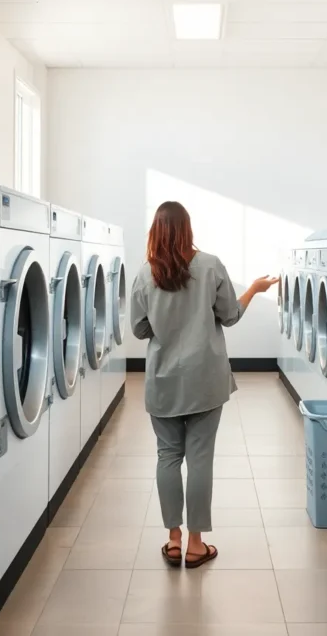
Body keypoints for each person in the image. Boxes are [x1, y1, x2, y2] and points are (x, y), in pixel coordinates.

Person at [130, 201, 279, 569]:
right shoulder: (211, 265)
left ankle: (173, 538)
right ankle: (197, 544)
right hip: (205, 380)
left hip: (163, 380)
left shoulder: (145, 274)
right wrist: (255, 289)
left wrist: (165, 322)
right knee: (199, 459)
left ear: (155, 231)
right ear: (187, 229)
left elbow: (139, 329)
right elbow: (230, 315)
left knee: (168, 456)